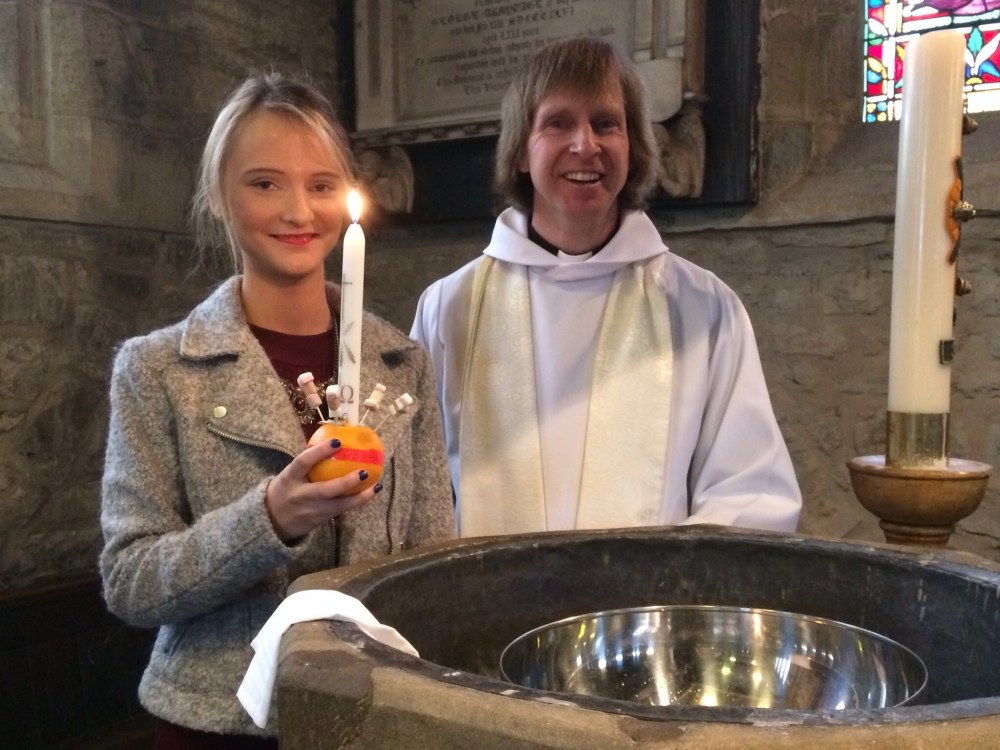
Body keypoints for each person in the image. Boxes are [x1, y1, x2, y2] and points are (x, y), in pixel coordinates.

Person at [100, 71, 455, 748]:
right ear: (219, 196)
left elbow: (431, 564)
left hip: (377, 714)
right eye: (265, 183)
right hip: (218, 721)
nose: (298, 212)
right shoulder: (158, 369)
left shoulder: (400, 363)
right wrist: (268, 518)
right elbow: (130, 582)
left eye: (321, 185)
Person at [410, 37, 801, 537]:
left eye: (605, 123)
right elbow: (415, 489)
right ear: (522, 151)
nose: (585, 145)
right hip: (486, 589)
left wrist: (652, 576)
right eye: (558, 123)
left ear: (632, 148)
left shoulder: (701, 308)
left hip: (648, 589)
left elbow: (749, 493)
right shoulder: (450, 307)